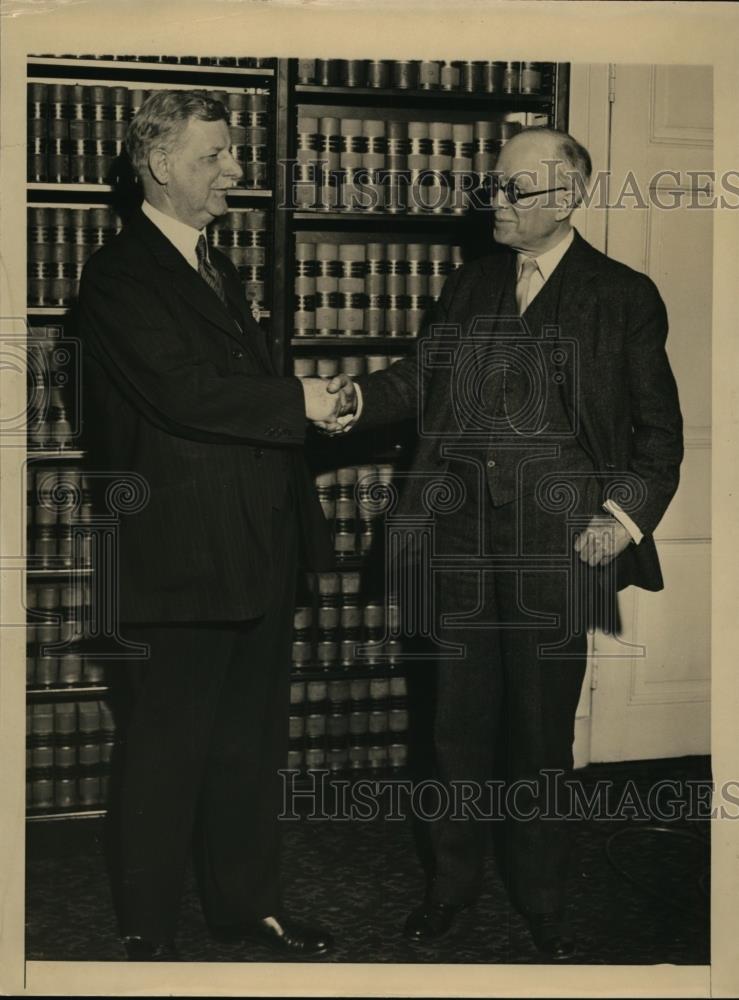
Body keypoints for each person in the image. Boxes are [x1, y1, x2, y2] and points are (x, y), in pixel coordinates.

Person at [325, 126, 684, 960]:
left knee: (538, 735)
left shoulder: (621, 295)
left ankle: (545, 903)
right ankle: (449, 890)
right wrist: (349, 400)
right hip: (454, 540)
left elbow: (656, 437)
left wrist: (619, 520)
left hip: (556, 551)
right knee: (453, 731)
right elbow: (421, 381)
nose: (495, 201)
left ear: (566, 197)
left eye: (515, 189)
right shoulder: (471, 283)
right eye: (494, 185)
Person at [77, 90, 349, 961]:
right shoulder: (122, 276)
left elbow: (228, 398)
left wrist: (308, 413)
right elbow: (181, 395)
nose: (234, 169)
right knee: (165, 752)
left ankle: (247, 909)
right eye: (214, 156)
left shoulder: (211, 264)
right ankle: (147, 932)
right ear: (159, 167)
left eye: (231, 154)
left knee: (247, 744)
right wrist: (299, 400)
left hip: (254, 547)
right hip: (183, 557)